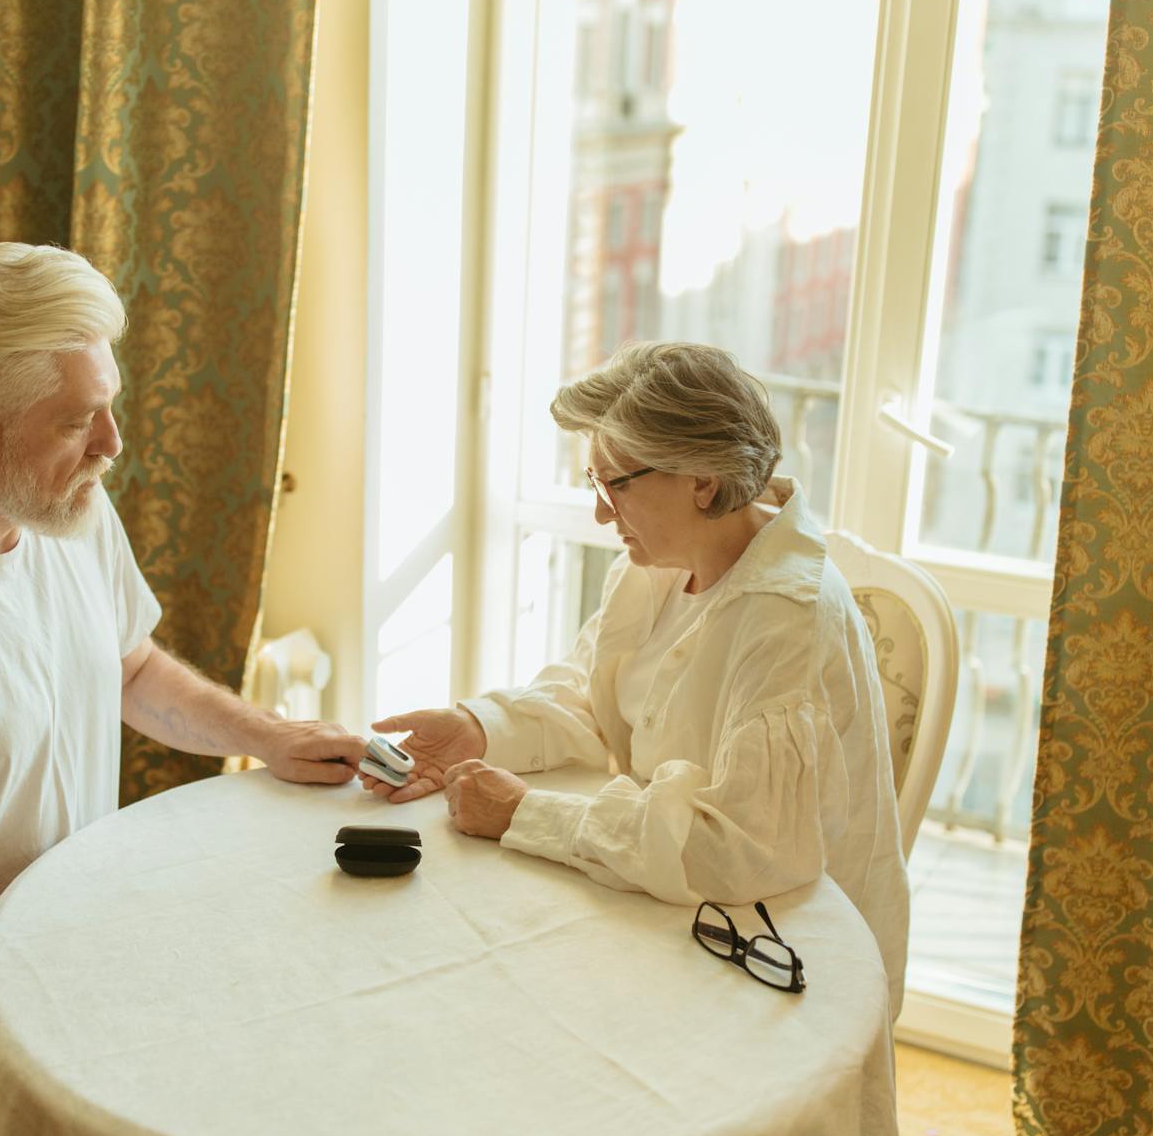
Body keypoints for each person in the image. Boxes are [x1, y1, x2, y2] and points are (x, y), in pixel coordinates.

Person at [0, 242, 365, 1134]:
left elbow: (129, 666)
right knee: (220, 1107)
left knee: (299, 996)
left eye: (109, 407)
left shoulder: (58, 505)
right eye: (81, 419)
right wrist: (118, 1007)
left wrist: (270, 735)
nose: (113, 446)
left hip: (66, 912)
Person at [364, 341, 909, 1010]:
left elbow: (736, 849)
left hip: (780, 956)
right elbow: (595, 695)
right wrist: (478, 727)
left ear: (702, 482)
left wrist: (527, 815)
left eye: (614, 485)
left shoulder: (783, 616)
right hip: (673, 912)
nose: (600, 512)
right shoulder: (660, 563)